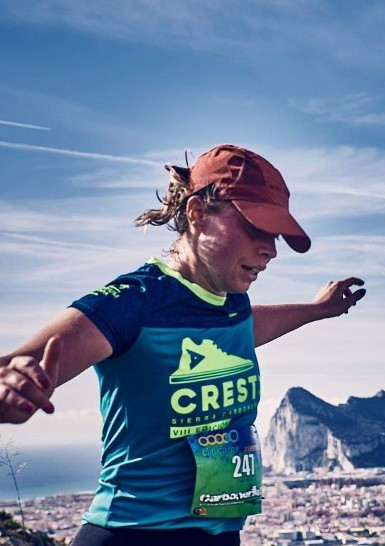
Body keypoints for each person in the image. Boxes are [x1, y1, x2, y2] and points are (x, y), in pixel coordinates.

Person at [0, 144, 365, 545]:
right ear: (197, 213)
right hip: (133, 535)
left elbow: (247, 327)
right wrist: (10, 388)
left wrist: (317, 310)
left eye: (275, 235)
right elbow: (17, 367)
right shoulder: (132, 303)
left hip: (219, 533)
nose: (271, 250)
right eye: (255, 228)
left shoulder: (231, 306)